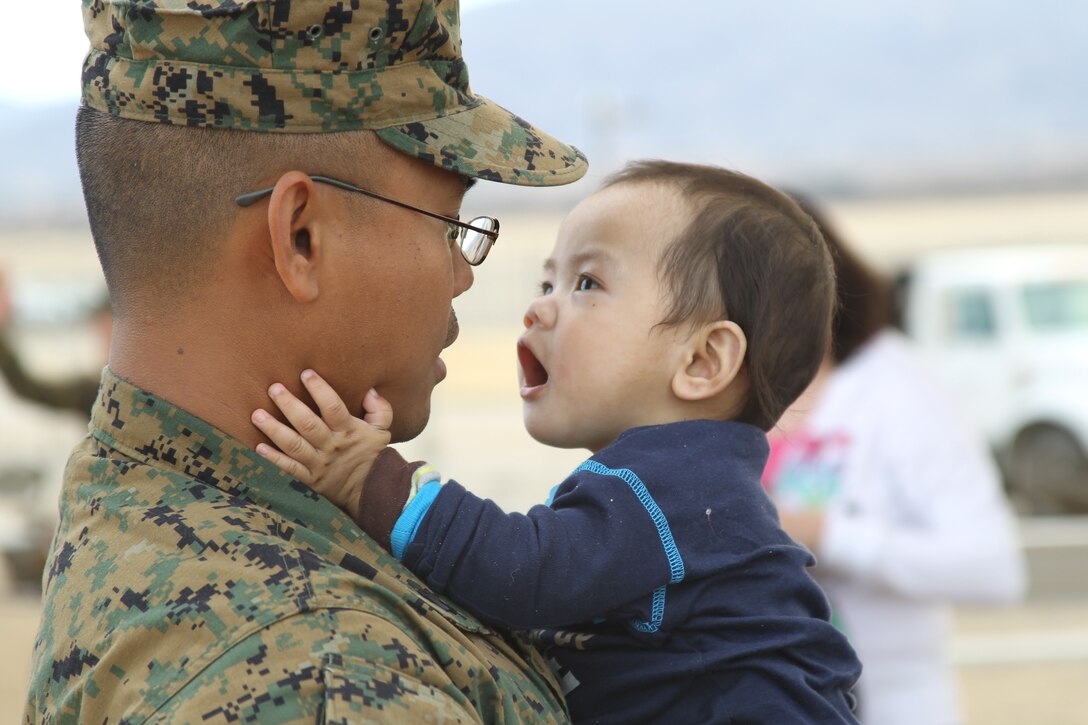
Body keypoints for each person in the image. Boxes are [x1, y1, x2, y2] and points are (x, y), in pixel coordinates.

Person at [25, 1, 589, 722]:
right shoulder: (325, 677)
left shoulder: (140, 494)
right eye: (450, 226)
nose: (462, 276)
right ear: (301, 238)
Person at [252, 162, 864, 723]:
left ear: (703, 360)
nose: (538, 310)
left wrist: (368, 478)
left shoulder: (673, 491)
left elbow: (523, 571)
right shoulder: (690, 487)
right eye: (548, 282)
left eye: (587, 283)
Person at [762, 197, 1027, 725]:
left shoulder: (893, 385)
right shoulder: (734, 385)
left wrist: (827, 534)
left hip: (890, 701)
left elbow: (994, 568)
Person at [0, 272, 107, 417]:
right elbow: (31, 388)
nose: (100, 333)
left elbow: (31, 389)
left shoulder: (111, 390)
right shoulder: (101, 387)